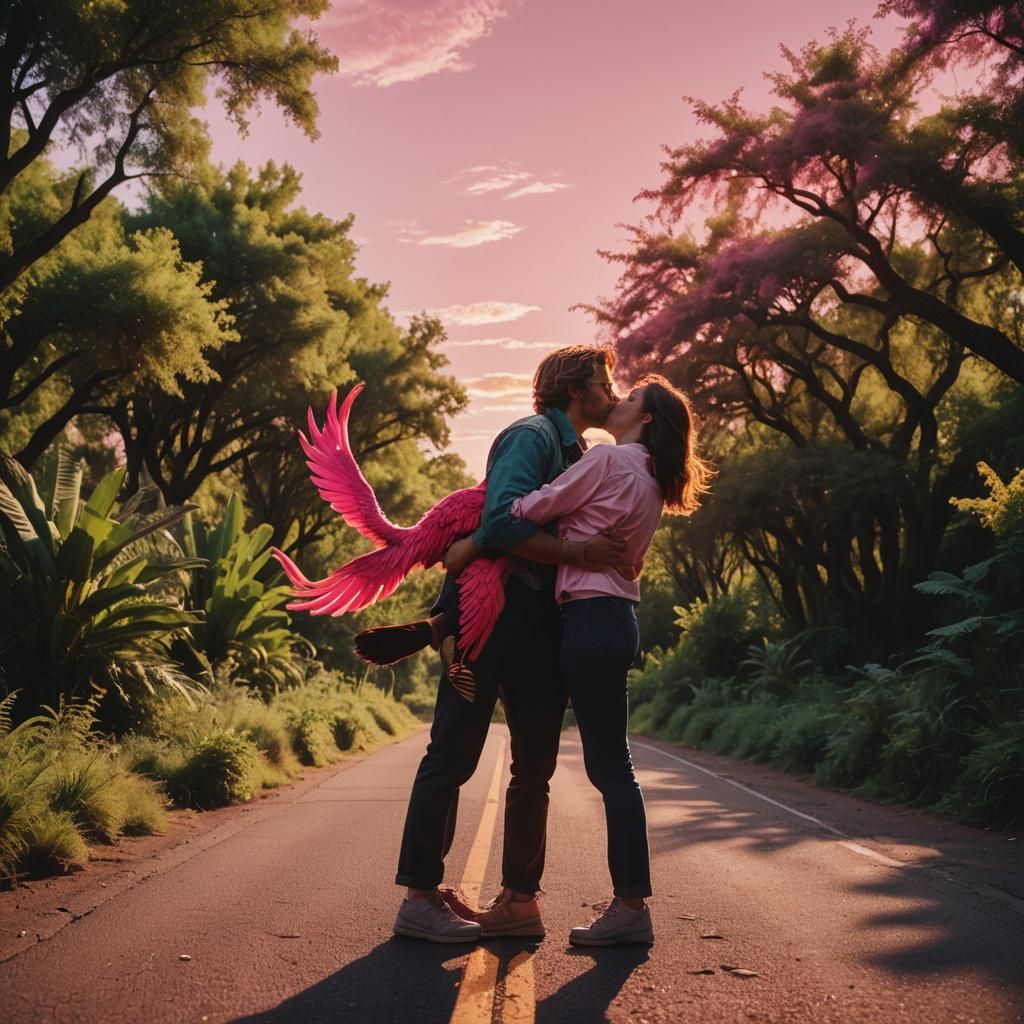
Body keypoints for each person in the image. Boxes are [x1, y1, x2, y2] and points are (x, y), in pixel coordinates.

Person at [444, 374, 711, 946]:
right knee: (613, 766)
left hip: (587, 621)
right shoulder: (651, 481)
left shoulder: (610, 462)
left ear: (645, 420)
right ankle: (611, 904)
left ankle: (630, 907)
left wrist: (483, 523)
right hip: (614, 622)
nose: (619, 399)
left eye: (631, 397)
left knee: (608, 770)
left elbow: (530, 508)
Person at [391, 345, 629, 944]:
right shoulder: (530, 436)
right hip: (490, 616)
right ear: (577, 389)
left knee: (535, 767)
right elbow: (500, 521)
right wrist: (576, 553)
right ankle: (419, 898)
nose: (613, 391)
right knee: (453, 752)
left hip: (543, 624)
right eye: (604, 381)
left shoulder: (581, 451)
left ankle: (520, 900)